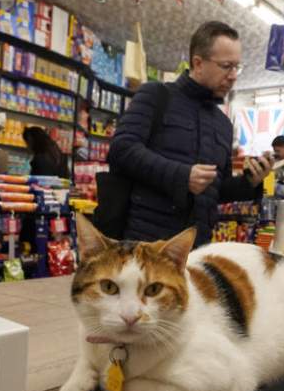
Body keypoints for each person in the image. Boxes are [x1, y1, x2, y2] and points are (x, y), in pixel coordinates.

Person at [107, 21, 273, 246]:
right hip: (146, 244)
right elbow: (122, 149)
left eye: (237, 67)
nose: (234, 76)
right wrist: (182, 176)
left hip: (196, 247)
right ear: (198, 63)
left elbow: (216, 189)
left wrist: (249, 182)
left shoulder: (223, 124)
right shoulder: (156, 96)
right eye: (226, 66)